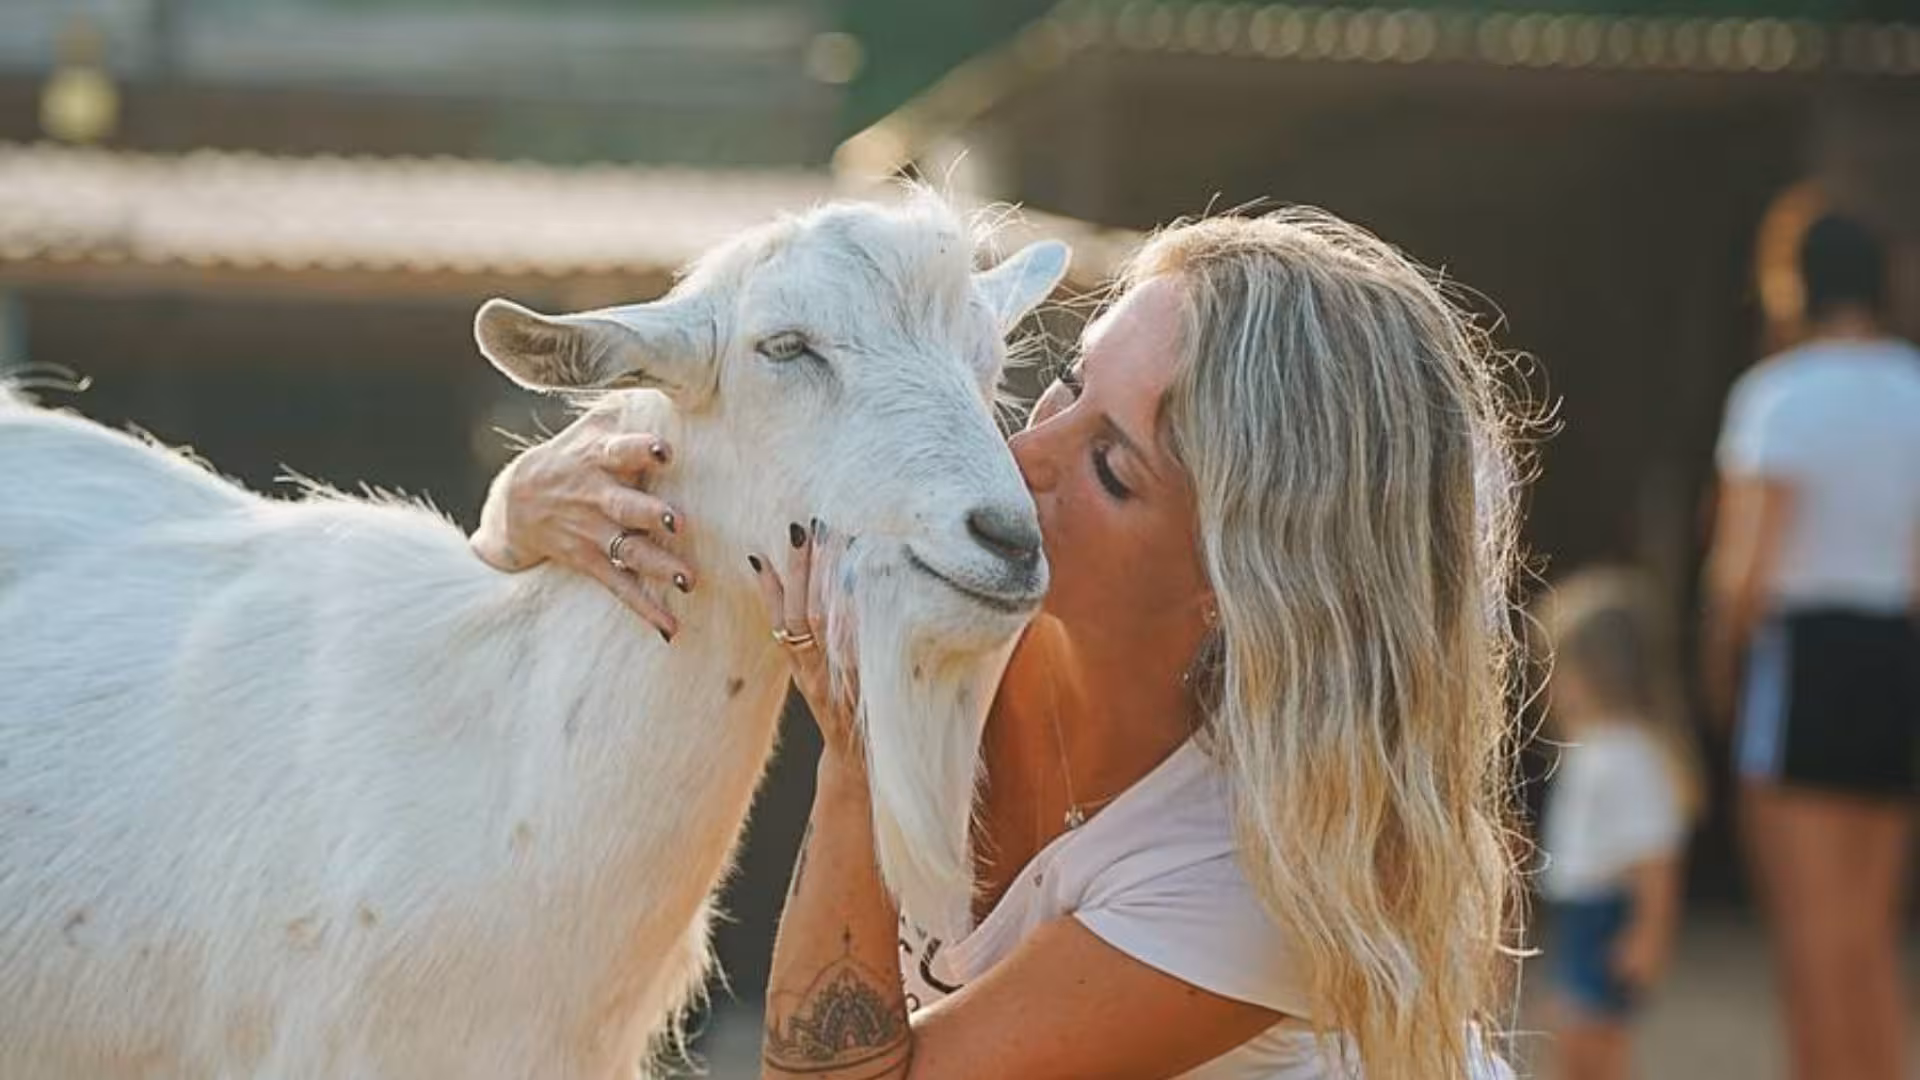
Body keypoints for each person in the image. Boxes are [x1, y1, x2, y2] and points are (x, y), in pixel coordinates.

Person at [473, 209, 1528, 1078]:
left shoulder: (1249, 868)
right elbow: (731, 456)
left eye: (1113, 467)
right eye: (1066, 385)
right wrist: (520, 506)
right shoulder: (973, 573)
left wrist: (856, 760)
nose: (1019, 455)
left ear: (1238, 582)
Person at [1703, 212, 1920, 1080]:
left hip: (1805, 659)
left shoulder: (1777, 394)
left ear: (1793, 283)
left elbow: (1746, 569)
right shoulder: (1915, 389)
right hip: (1896, 655)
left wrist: (1720, 660)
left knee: (1809, 931)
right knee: (1866, 933)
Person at [1537, 568, 1701, 1080]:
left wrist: (1649, 934)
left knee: (1595, 1049)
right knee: (1574, 1042)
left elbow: (1655, 858)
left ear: (1594, 671)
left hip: (1606, 920)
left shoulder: (1630, 756)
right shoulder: (1596, 748)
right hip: (1580, 915)